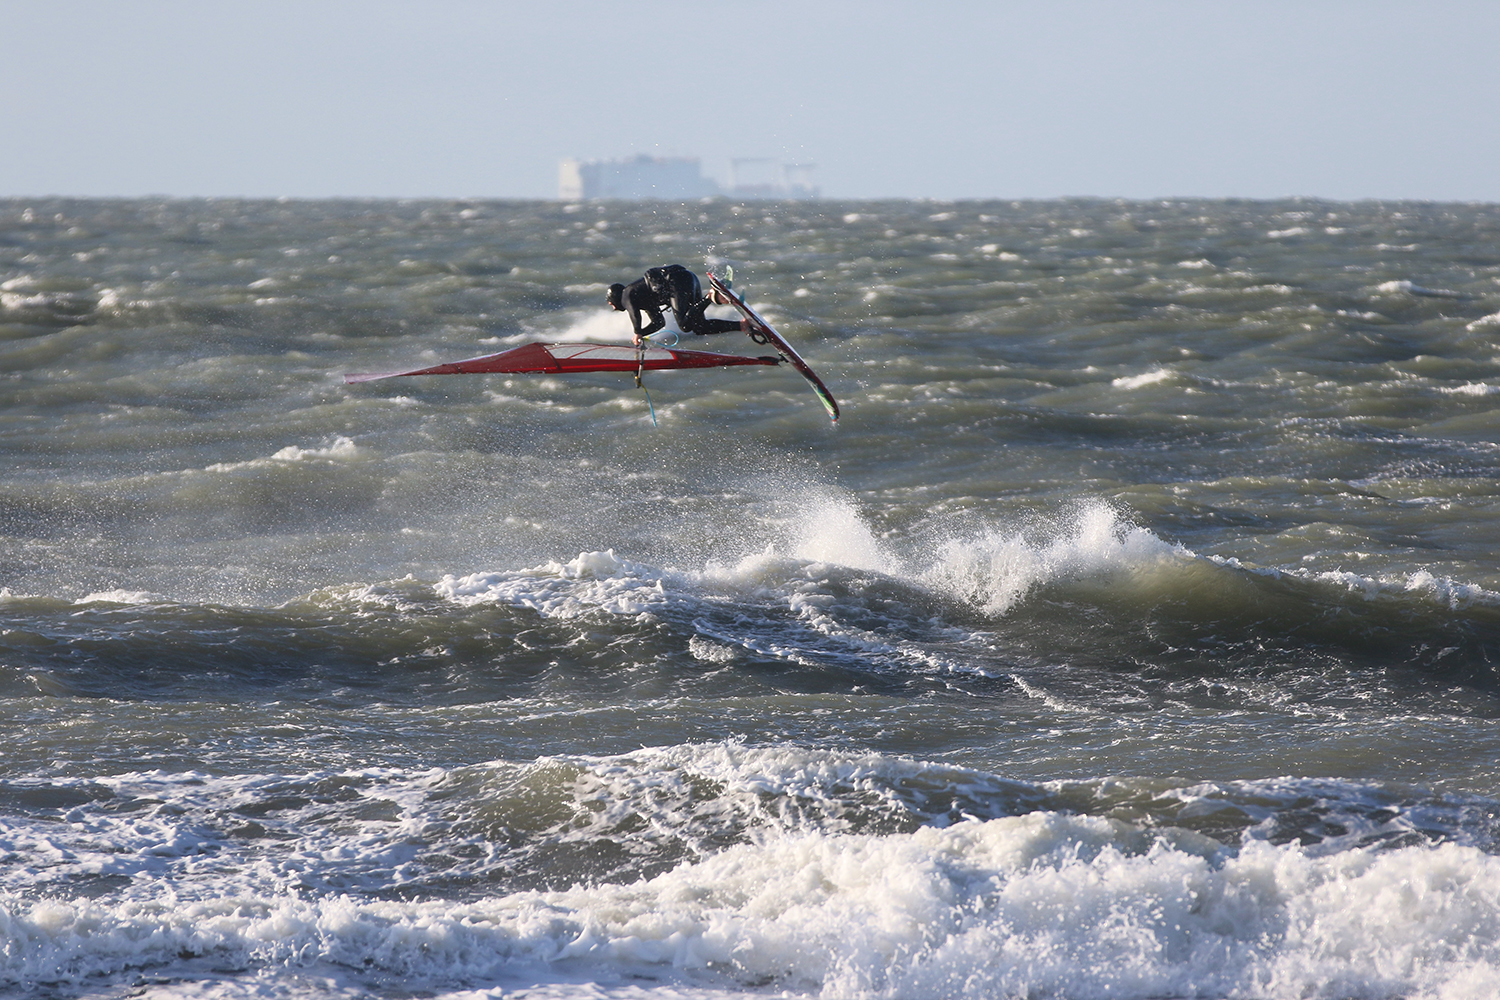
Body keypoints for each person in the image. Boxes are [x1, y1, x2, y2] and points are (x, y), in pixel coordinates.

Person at [607, 264, 745, 345]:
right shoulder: (644, 299)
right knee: (700, 327)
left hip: (677, 281)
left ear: (615, 299)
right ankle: (742, 325)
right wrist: (643, 334)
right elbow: (658, 323)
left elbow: (634, 314)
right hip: (688, 278)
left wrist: (637, 332)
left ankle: (711, 297)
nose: (612, 307)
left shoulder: (626, 294)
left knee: (685, 325)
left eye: (611, 303)